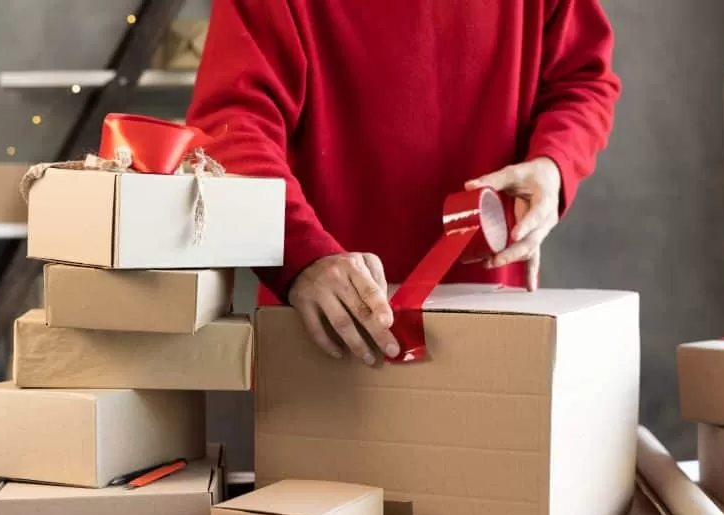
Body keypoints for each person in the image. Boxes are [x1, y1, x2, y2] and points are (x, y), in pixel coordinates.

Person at [187, 0, 620, 364]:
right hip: (323, 330)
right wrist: (300, 253)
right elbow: (232, 125)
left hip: (496, 319)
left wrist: (555, 164)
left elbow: (582, 79)